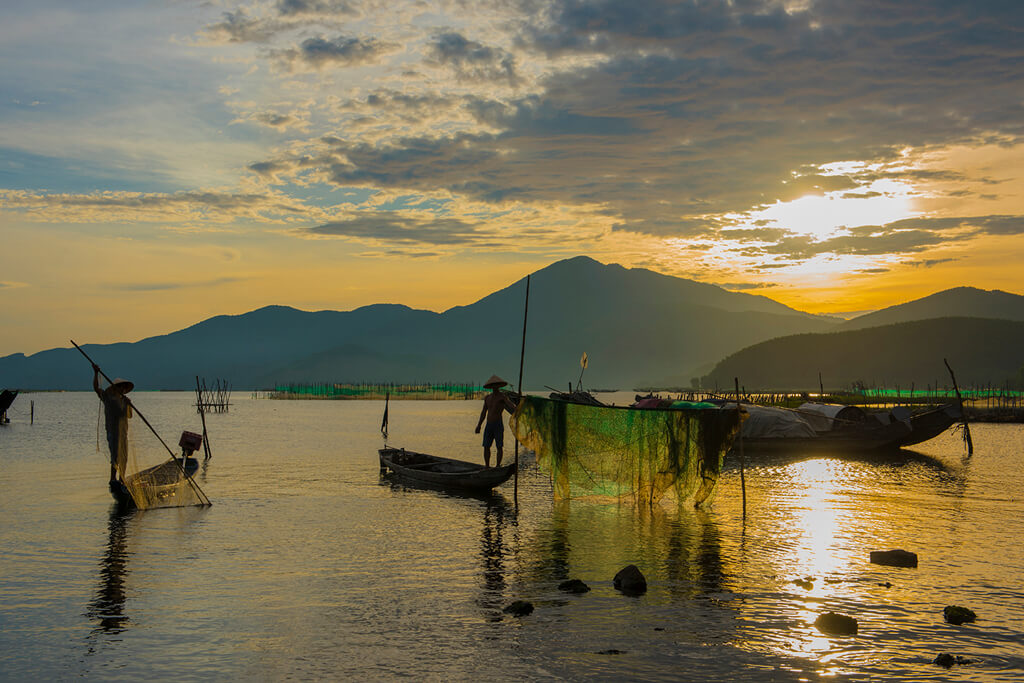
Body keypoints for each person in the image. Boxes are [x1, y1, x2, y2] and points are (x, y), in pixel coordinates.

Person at [92, 365, 134, 492]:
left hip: (123, 433)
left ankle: (122, 478)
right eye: (121, 386)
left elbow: (129, 415)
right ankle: (112, 478)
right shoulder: (108, 397)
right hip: (113, 432)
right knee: (115, 456)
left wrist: (128, 405)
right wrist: (95, 373)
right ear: (116, 387)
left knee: (124, 456)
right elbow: (96, 388)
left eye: (124, 387)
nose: (123, 389)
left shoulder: (124, 400)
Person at [475, 374, 515, 467]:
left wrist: (517, 409)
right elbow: (483, 412)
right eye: (493, 385)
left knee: (499, 446)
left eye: (496, 385)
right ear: (491, 386)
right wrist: (479, 425)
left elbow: (510, 405)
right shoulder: (488, 398)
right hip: (489, 425)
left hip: (498, 424)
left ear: (499, 386)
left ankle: (497, 465)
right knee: (486, 446)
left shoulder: (502, 397)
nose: (495, 387)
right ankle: (487, 466)